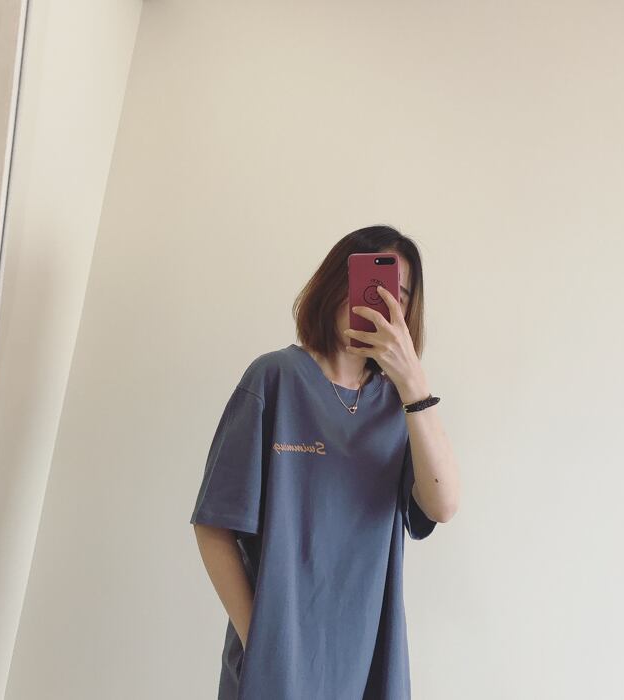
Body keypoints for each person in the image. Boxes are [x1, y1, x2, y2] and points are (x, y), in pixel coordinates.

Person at [190, 225, 460, 699]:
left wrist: (414, 383)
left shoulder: (400, 408)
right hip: (275, 663)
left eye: (396, 296)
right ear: (336, 282)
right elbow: (214, 526)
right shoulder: (274, 378)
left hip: (367, 660)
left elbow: (443, 505)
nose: (378, 303)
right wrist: (263, 643)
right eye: (370, 285)